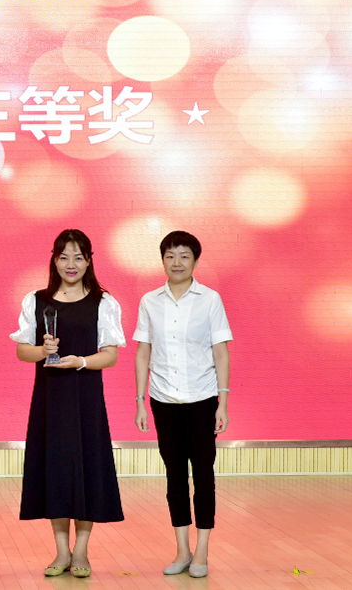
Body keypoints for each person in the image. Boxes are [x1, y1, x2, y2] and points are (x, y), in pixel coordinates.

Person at [11, 229, 125, 579]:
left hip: (86, 398)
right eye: (64, 257)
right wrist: (41, 351)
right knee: (56, 470)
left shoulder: (103, 302)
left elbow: (110, 356)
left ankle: (81, 550)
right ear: (54, 260)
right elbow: (22, 351)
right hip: (50, 399)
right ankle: (61, 551)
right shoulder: (36, 300)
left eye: (78, 257)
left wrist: (80, 361)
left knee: (87, 469)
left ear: (89, 261)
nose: (70, 264)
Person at [133, 231, 232, 579]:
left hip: (202, 399)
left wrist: (222, 402)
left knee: (203, 475)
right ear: (162, 260)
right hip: (164, 400)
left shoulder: (210, 299)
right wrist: (140, 401)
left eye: (184, 256)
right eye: (170, 256)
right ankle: (182, 550)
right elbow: (143, 352)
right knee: (174, 477)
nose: (177, 262)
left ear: (195, 261)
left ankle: (202, 551)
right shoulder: (150, 301)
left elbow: (221, 353)